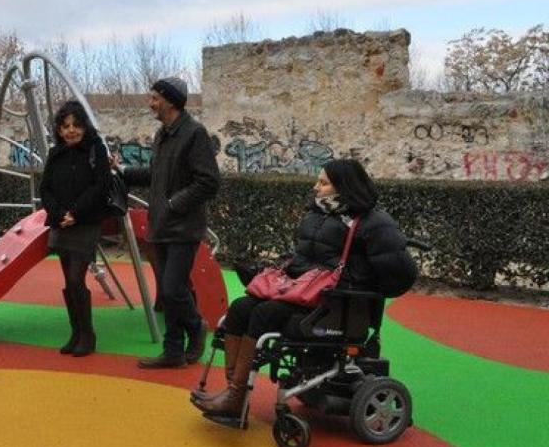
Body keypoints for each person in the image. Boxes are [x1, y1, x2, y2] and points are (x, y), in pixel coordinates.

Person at [192, 159, 418, 421]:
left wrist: (358, 287)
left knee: (265, 313)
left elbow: (400, 273)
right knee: (240, 308)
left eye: (323, 183)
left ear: (344, 187)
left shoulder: (374, 222)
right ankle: (234, 393)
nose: (315, 187)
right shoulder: (316, 214)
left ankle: (234, 398)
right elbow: (303, 258)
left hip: (334, 303)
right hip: (304, 293)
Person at [116, 77, 221, 369]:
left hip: (183, 227)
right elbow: (155, 174)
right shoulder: (162, 134)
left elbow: (209, 182)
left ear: (170, 101)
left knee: (174, 289)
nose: (150, 103)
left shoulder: (194, 133)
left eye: (155, 98)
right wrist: (122, 169)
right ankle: (173, 351)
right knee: (169, 290)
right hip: (161, 225)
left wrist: (174, 204)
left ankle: (196, 326)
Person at [39, 100, 110, 357]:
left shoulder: (95, 149)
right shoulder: (56, 153)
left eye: (76, 125)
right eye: (65, 126)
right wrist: (59, 214)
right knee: (68, 283)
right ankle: (76, 332)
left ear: (84, 126)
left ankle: (87, 334)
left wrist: (76, 213)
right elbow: (45, 188)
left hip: (85, 222)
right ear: (59, 129)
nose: (71, 131)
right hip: (62, 223)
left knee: (75, 279)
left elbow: (101, 186)